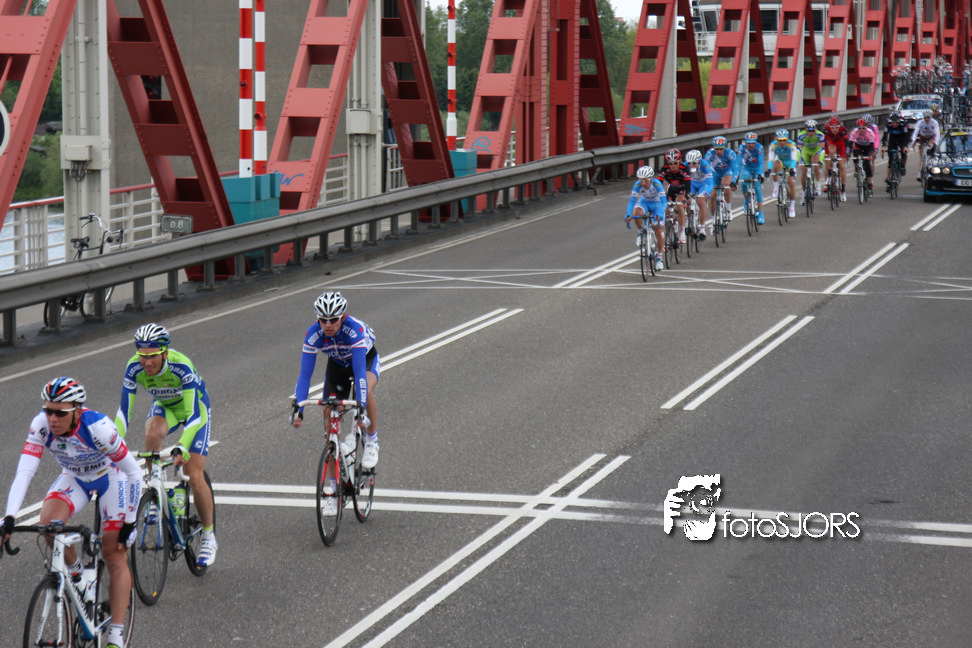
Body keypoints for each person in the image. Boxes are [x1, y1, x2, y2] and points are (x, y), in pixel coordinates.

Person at [4, 378, 141, 648]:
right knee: (48, 525)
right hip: (75, 477)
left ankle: (115, 634)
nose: (52, 418)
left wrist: (130, 520)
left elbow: (134, 472)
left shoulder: (99, 429)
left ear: (77, 411)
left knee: (113, 552)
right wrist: (9, 518)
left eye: (60, 413)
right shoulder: (41, 426)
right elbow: (25, 472)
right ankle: (79, 577)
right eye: (48, 410)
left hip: (111, 477)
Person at [116, 323, 217, 567]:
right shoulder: (133, 367)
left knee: (194, 474)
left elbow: (193, 415)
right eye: (142, 356)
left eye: (152, 356)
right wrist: (114, 442)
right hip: (166, 407)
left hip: (195, 410)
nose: (147, 362)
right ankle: (156, 489)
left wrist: (182, 445)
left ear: (164, 353)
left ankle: (208, 536)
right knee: (151, 432)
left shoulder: (181, 366)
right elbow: (124, 412)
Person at [292, 291, 381, 483]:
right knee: (329, 412)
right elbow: (305, 376)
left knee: (362, 391)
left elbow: (359, 374)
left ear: (343, 317)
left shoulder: (353, 330)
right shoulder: (313, 334)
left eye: (333, 320)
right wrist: (299, 410)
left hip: (364, 360)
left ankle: (372, 440)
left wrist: (361, 410)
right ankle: (333, 489)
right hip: (338, 365)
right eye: (323, 320)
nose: (328, 325)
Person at [625, 165, 667, 272]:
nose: (643, 183)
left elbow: (664, 202)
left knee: (659, 230)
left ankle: (659, 258)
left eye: (646, 180)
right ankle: (640, 232)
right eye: (641, 180)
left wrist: (660, 214)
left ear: (651, 179)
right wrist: (628, 214)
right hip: (644, 202)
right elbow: (632, 201)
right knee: (636, 212)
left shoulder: (657, 184)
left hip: (657, 204)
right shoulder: (637, 184)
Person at [658, 148, 692, 244]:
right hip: (671, 189)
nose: (673, 166)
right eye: (670, 163)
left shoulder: (684, 169)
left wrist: (687, 198)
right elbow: (659, 185)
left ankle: (682, 231)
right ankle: (669, 234)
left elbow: (688, 186)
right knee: (666, 210)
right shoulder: (664, 169)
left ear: (680, 161)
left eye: (675, 163)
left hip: (682, 189)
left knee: (679, 205)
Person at [704, 136, 739, 219]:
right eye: (716, 149)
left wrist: (734, 181)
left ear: (725, 148)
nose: (719, 151)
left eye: (721, 149)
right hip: (715, 173)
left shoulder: (730, 153)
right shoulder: (709, 154)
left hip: (726, 172)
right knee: (712, 196)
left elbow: (735, 168)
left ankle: (728, 209)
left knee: (726, 184)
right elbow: (705, 168)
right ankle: (713, 218)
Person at [767, 129, 798, 218]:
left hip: (790, 163)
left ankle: (792, 207)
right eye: (780, 140)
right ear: (777, 140)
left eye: (784, 140)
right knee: (775, 164)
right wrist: (769, 169)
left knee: (791, 182)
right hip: (781, 161)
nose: (782, 143)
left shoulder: (792, 145)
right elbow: (771, 159)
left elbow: (794, 159)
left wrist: (792, 169)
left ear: (787, 139)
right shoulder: (773, 145)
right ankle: (776, 187)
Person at [736, 132, 765, 224]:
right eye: (748, 143)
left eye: (753, 143)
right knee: (744, 184)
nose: (751, 145)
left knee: (757, 188)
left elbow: (761, 163)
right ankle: (747, 198)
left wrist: (760, 174)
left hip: (757, 168)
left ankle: (761, 213)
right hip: (747, 167)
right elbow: (738, 163)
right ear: (745, 142)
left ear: (756, 142)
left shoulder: (759, 147)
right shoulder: (742, 148)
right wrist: (736, 176)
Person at [795, 119, 826, 205]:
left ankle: (818, 184)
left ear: (816, 130)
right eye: (809, 131)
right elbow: (798, 149)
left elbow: (822, 149)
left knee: (815, 163)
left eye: (813, 131)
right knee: (803, 171)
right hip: (806, 152)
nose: (811, 133)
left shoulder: (820, 135)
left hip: (816, 151)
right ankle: (804, 193)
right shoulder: (801, 135)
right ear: (806, 130)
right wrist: (797, 160)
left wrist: (821, 161)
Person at [684, 149, 713, 240]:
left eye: (694, 163)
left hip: (703, 184)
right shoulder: (685, 166)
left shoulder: (705, 166)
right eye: (689, 163)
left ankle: (702, 228)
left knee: (701, 202)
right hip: (692, 184)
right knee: (687, 200)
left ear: (699, 162)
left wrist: (707, 193)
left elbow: (711, 183)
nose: (691, 165)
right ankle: (688, 219)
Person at [881, 110, 911, 188]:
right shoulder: (888, 125)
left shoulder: (903, 124)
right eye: (893, 123)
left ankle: (902, 166)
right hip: (893, 139)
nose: (894, 124)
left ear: (899, 121)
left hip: (902, 138)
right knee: (890, 161)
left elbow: (907, 136)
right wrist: (883, 146)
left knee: (903, 152)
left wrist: (905, 146)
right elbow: (885, 137)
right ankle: (888, 180)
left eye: (896, 123)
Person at [822, 115, 849, 202]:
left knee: (841, 165)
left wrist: (845, 155)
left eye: (836, 127)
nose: (834, 130)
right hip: (833, 143)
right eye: (832, 128)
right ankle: (830, 174)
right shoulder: (826, 131)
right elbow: (824, 144)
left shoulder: (843, 131)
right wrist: (824, 155)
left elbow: (847, 144)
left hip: (841, 144)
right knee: (830, 154)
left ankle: (843, 190)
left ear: (839, 126)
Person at [848, 117, 878, 193]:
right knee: (855, 154)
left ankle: (870, 185)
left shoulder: (870, 133)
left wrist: (871, 154)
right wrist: (848, 153)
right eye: (859, 128)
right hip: (858, 146)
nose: (861, 130)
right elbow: (851, 144)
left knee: (867, 165)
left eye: (863, 128)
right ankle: (856, 169)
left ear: (866, 127)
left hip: (868, 147)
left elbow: (872, 146)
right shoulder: (854, 132)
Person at [910, 109, 941, 181]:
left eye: (928, 118)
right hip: (923, 137)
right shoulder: (920, 122)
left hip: (931, 137)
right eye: (925, 118)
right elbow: (915, 132)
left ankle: (932, 170)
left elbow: (937, 133)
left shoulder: (934, 122)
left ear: (931, 117)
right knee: (921, 156)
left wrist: (936, 143)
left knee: (932, 154)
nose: (926, 119)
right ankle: (919, 173)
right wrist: (913, 141)